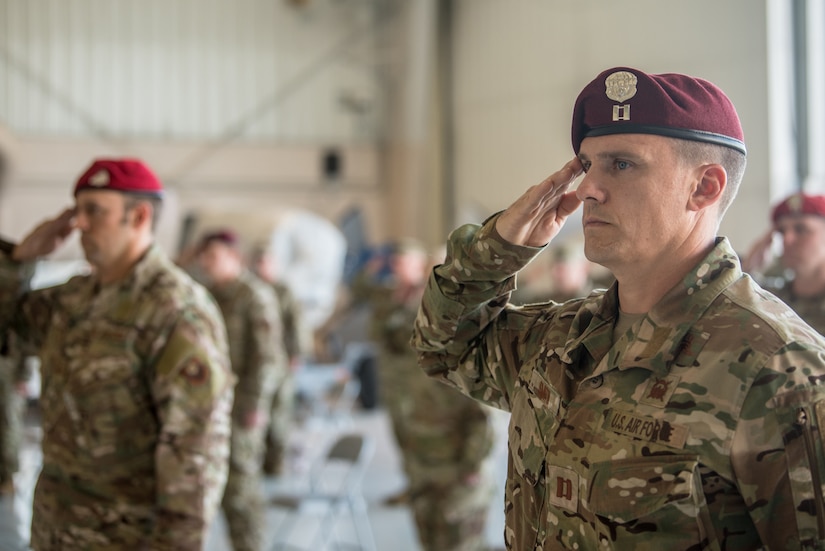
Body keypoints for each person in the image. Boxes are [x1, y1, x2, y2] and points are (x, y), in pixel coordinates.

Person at [411, 66, 825, 549]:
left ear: (704, 187)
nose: (588, 189)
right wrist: (497, 248)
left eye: (622, 164)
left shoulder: (781, 371)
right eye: (587, 166)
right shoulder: (560, 340)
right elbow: (444, 347)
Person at [0, 158, 235, 550]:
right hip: (56, 530)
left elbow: (196, 456)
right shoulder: (73, 299)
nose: (80, 225)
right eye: (76, 212)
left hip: (125, 536)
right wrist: (19, 261)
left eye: (94, 211)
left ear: (139, 216)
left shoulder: (174, 310)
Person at [195, 229, 287, 551]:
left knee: (241, 493)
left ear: (235, 258)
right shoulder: (206, 295)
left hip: (242, 408)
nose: (207, 263)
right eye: (204, 256)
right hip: (210, 407)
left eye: (214, 256)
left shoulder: (254, 296)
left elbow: (268, 359)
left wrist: (254, 407)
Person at [250, 244, 306, 476]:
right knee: (258, 410)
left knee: (280, 411)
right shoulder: (252, 289)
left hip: (281, 359)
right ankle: (260, 460)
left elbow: (297, 324)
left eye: (267, 262)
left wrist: (296, 354)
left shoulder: (283, 291)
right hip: (258, 360)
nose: (263, 267)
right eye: (259, 262)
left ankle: (277, 462)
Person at [742, 192, 825, 334]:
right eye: (781, 231)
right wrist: (749, 268)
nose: (787, 240)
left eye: (801, 229)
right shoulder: (772, 300)